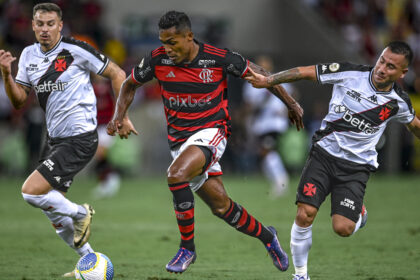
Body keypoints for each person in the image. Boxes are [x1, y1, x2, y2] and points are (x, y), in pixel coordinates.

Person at [107, 11, 304, 274]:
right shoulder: (157, 59)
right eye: (163, 42)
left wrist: (290, 103)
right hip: (180, 142)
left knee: (176, 175)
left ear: (189, 36)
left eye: (173, 42)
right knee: (222, 207)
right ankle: (269, 238)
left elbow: (261, 74)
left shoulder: (217, 58)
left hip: (213, 132)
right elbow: (130, 84)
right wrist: (120, 116)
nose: (167, 48)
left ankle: (187, 248)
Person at [245, 41, 420, 280]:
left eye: (391, 67)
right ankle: (301, 275)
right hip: (323, 156)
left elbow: (413, 125)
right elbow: (306, 71)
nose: (381, 68)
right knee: (305, 213)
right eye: (381, 60)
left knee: (343, 229)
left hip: (356, 168)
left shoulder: (398, 102)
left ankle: (359, 215)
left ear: (402, 73)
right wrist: (270, 80)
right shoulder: (350, 73)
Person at [0, 3, 127, 276]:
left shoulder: (75, 49)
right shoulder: (28, 55)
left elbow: (118, 73)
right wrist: (6, 75)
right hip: (55, 140)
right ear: (33, 26)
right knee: (55, 214)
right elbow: (19, 100)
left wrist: (122, 115)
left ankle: (81, 214)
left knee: (29, 192)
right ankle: (90, 263)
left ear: (60, 25)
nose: (45, 29)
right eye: (40, 24)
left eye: (50, 24)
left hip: (79, 138)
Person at [243, 55, 293, 197]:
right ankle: (276, 181)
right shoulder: (251, 84)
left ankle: (281, 180)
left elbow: (292, 95)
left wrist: (287, 109)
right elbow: (248, 105)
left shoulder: (279, 79)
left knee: (267, 150)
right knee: (264, 152)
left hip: (275, 123)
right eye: (260, 65)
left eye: (265, 64)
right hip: (260, 123)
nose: (263, 67)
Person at [91, 75, 121, 199]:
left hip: (106, 126)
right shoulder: (90, 87)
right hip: (94, 126)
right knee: (98, 155)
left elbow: (116, 103)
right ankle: (107, 180)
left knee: (100, 153)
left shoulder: (110, 88)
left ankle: (111, 178)